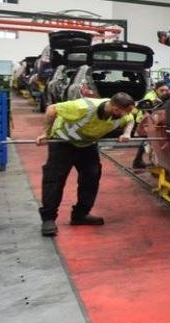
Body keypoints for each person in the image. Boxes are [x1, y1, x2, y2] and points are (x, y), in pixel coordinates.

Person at [36, 93, 137, 237]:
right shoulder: (83, 107)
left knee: (92, 176)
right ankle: (48, 219)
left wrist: (127, 133)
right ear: (114, 107)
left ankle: (80, 215)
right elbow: (52, 109)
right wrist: (45, 133)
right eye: (122, 112)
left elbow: (130, 120)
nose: (125, 115)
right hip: (63, 141)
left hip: (87, 144)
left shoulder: (122, 114)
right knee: (55, 179)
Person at [131, 81, 170, 169]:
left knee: (148, 140)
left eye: (166, 90)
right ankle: (137, 161)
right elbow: (148, 110)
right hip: (144, 121)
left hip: (152, 120)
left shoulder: (164, 96)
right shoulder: (150, 97)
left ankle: (139, 161)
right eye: (162, 90)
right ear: (156, 90)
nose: (164, 92)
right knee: (147, 140)